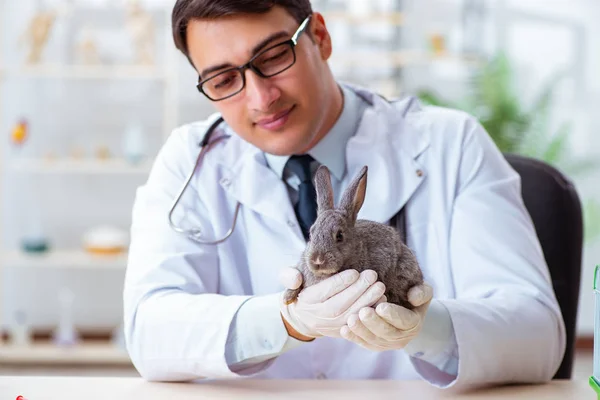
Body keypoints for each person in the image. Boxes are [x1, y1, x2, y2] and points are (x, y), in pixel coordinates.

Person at [123, 0, 566, 390]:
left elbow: (538, 337)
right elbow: (148, 331)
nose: (261, 97)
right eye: (223, 80)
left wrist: (424, 330)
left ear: (319, 36)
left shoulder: (452, 143)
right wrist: (283, 321)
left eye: (274, 55)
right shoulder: (190, 161)